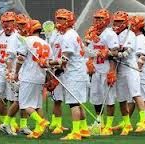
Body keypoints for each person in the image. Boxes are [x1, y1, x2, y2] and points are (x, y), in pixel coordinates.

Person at [53, 8, 90, 140]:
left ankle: (75, 133)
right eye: (58, 18)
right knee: (78, 103)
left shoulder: (68, 36)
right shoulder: (73, 34)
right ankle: (84, 129)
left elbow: (64, 59)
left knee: (73, 104)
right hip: (79, 72)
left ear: (69, 21)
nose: (59, 21)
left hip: (74, 74)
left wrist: (49, 63)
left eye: (62, 19)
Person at [14, 19, 52, 139]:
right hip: (40, 77)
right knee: (37, 105)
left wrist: (15, 73)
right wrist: (48, 79)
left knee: (24, 104)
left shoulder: (27, 40)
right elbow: (49, 64)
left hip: (28, 76)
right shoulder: (46, 44)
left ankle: (41, 122)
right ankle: (37, 131)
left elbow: (20, 58)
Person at [112, 11, 145, 135]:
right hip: (120, 69)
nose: (116, 23)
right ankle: (126, 123)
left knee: (135, 93)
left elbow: (127, 52)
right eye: (115, 20)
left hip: (130, 67)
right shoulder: (114, 34)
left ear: (124, 22)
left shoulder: (130, 34)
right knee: (122, 98)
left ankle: (143, 121)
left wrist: (115, 54)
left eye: (119, 21)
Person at [85, 9, 119, 136]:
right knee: (96, 98)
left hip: (106, 70)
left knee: (108, 99)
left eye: (100, 18)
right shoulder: (92, 32)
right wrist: (89, 60)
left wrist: (112, 71)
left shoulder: (110, 34)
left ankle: (109, 127)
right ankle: (100, 123)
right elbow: (88, 50)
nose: (97, 21)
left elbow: (115, 52)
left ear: (106, 20)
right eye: (96, 18)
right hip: (95, 70)